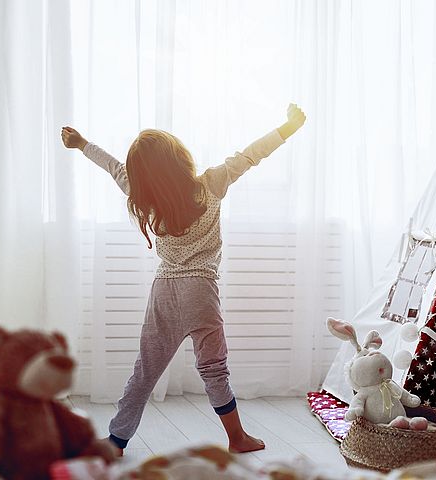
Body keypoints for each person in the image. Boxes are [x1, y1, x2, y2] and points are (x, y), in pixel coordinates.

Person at [61, 103, 306, 455]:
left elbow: (114, 167)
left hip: (165, 289)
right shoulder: (210, 184)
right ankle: (237, 438)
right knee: (213, 369)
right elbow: (252, 155)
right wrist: (288, 127)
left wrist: (83, 143)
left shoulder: (144, 197)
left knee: (145, 371)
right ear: (179, 157)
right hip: (201, 291)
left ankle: (116, 441)